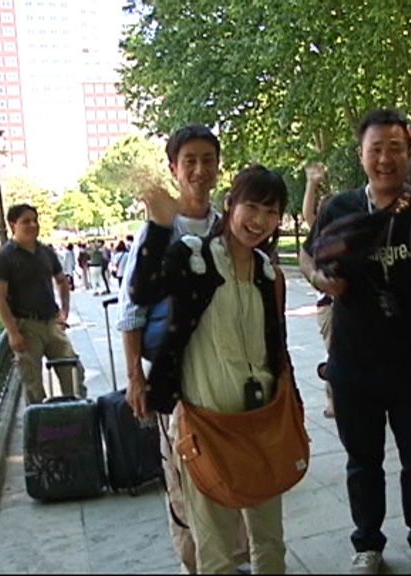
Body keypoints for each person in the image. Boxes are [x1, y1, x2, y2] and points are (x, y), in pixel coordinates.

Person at [299, 109, 411, 575]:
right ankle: (368, 544)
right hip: (354, 361)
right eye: (375, 148)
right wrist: (321, 280)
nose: (385, 158)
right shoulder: (339, 207)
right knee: (363, 462)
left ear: (409, 152)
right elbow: (307, 256)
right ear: (361, 154)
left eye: (395, 148)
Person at [130, 165, 292, 574]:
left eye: (270, 211)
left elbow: (277, 345)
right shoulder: (194, 256)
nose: (258, 220)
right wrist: (159, 228)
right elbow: (143, 291)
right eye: (250, 206)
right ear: (230, 205)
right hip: (207, 424)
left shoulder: (268, 272)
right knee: (215, 550)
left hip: (260, 424)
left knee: (270, 542)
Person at [119, 125, 245, 574]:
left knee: (231, 472)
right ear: (173, 168)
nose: (198, 169)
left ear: (217, 166)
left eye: (207, 159)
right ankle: (194, 564)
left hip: (227, 373)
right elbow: (133, 310)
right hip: (177, 377)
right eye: (188, 160)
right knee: (184, 477)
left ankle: (235, 560)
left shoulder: (229, 226)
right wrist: (136, 376)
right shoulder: (156, 231)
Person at [0, 204, 86, 404]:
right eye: (26, 221)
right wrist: (13, 332)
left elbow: (61, 281)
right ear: (13, 225)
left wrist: (64, 312)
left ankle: (79, 420)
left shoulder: (46, 252)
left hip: (52, 323)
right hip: (26, 328)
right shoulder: (3, 258)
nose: (33, 225)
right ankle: (42, 430)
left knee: (74, 374)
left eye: (35, 220)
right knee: (33, 386)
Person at [300, 161, 337, 419]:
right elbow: (307, 214)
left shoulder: (351, 232)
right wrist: (312, 183)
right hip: (329, 304)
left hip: (352, 302)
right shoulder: (320, 233)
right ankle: (333, 401)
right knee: (335, 351)